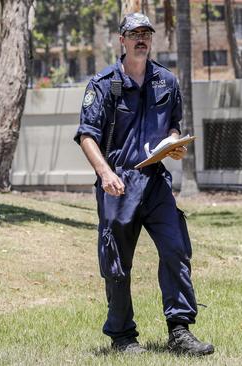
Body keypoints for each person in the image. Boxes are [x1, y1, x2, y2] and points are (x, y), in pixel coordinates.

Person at [74, 13, 213, 356]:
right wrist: (106, 174)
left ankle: (179, 331)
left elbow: (173, 126)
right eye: (133, 33)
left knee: (176, 248)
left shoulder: (166, 81)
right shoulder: (104, 84)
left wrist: (174, 144)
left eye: (146, 34)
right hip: (118, 183)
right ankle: (122, 337)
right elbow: (87, 136)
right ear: (121, 40)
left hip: (154, 181)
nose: (141, 39)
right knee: (117, 261)